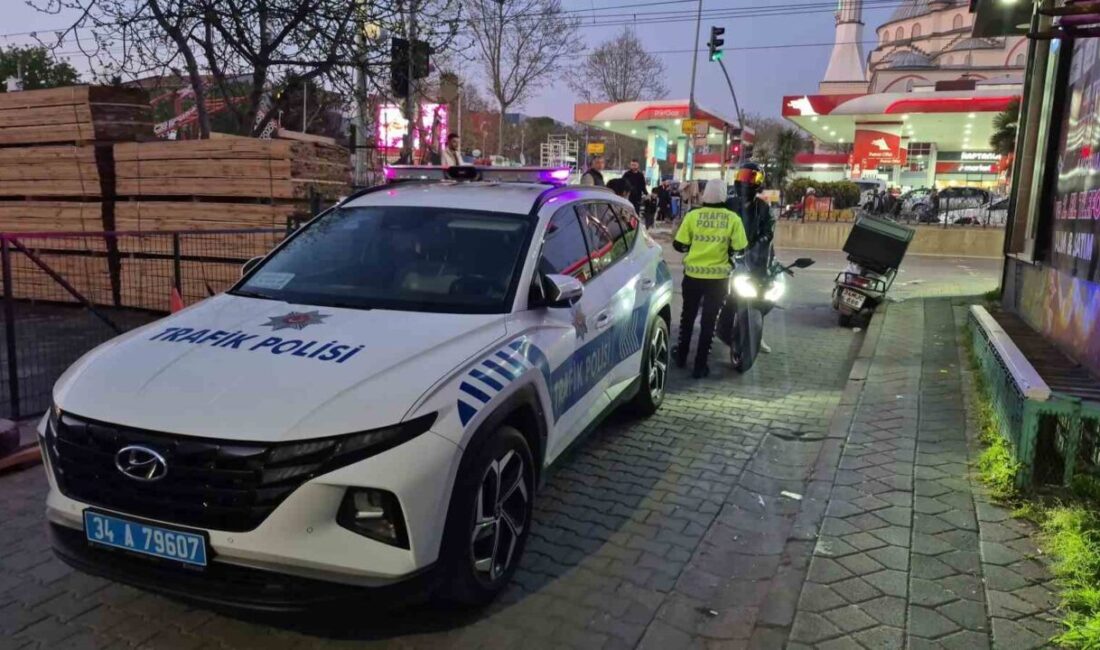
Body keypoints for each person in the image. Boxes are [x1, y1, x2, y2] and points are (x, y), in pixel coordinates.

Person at [673, 179, 748, 379]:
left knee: (687, 318)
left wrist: (693, 248)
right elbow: (740, 248)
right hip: (718, 278)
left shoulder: (693, 216)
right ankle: (699, 366)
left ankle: (680, 357)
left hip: (692, 277)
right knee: (709, 322)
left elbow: (678, 245)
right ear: (724, 195)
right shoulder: (733, 219)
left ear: (705, 194)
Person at [722, 161, 777, 353]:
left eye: (751, 177)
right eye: (743, 176)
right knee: (719, 294)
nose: (745, 181)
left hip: (755, 260)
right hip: (729, 259)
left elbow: (769, 232)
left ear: (759, 183)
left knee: (767, 295)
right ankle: (712, 330)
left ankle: (756, 333)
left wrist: (760, 243)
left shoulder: (763, 208)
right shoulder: (727, 204)